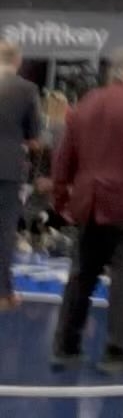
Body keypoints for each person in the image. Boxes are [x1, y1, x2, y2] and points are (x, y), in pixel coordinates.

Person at [52, 48, 123, 373]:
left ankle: (65, 346)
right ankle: (116, 352)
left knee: (81, 276)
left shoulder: (86, 103)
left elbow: (64, 155)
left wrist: (60, 196)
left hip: (89, 202)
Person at [0, 43, 40, 309]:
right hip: (8, 167)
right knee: (4, 231)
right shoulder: (26, 89)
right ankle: (3, 293)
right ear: (18, 62)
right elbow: (34, 137)